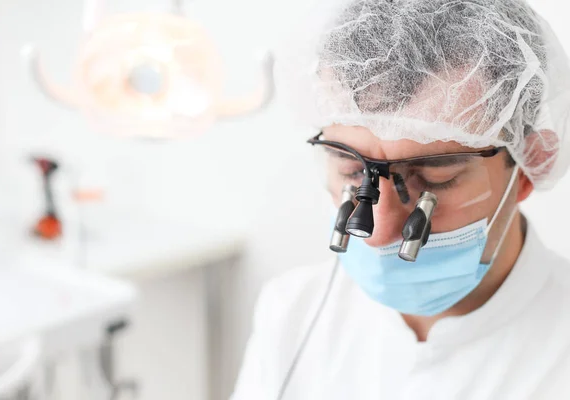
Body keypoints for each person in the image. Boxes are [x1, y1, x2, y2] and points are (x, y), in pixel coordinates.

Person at [231, 0, 570, 399]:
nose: (379, 232)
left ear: (530, 167)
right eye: (352, 169)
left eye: (435, 178)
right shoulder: (291, 312)